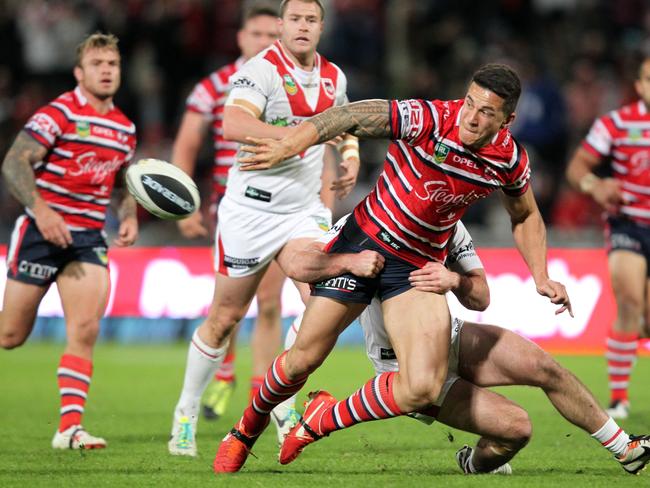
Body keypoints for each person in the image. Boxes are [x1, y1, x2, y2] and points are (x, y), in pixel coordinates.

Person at [214, 63, 573, 473]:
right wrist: (290, 143)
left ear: (507, 119)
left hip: (416, 266)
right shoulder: (430, 118)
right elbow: (350, 116)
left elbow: (525, 215)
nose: (472, 117)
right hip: (363, 241)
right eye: (470, 103)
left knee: (421, 388)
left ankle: (324, 418)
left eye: (487, 112)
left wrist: (541, 275)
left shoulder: (508, 158)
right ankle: (246, 428)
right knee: (301, 360)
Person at [284, 215, 650, 475]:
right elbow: (308, 262)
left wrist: (454, 280)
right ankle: (474, 464)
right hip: (405, 366)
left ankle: (625, 449)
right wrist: (341, 271)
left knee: (545, 367)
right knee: (517, 429)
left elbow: (482, 297)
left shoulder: (448, 223)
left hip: (452, 335)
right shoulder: (363, 220)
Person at [168, 0, 365, 457]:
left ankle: (282, 406)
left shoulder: (334, 76)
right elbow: (233, 121)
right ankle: (185, 414)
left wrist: (351, 156)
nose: (302, 26)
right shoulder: (261, 70)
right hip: (249, 213)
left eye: (310, 19)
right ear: (281, 26)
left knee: (322, 301)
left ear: (321, 26)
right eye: (294, 19)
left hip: (303, 212)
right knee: (224, 319)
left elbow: (346, 121)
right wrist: (302, 136)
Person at [0, 33, 137, 450]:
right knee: (10, 336)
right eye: (98, 64)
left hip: (88, 238)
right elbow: (14, 160)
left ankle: (69, 429)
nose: (107, 70)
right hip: (41, 235)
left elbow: (123, 184)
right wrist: (42, 210)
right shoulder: (58, 113)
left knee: (84, 328)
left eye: (112, 63)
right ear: (80, 72)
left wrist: (129, 213)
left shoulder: (124, 129)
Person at [171, 5, 285, 425]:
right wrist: (184, 203)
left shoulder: (292, 85)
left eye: (272, 36)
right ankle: (223, 371)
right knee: (230, 307)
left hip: (284, 207)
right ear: (240, 38)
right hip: (233, 207)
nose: (263, 43)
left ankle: (263, 399)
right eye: (256, 34)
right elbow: (186, 143)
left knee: (270, 302)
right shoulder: (215, 86)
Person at [566, 55, 650, 420]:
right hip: (628, 223)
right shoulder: (615, 124)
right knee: (629, 301)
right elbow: (576, 167)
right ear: (639, 84)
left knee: (645, 316)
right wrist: (595, 184)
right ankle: (618, 398)